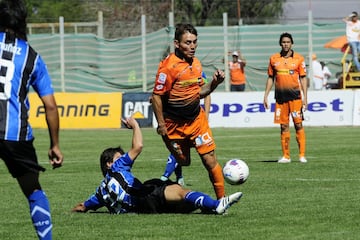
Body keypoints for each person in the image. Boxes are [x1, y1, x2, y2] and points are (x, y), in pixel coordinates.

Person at [71, 117, 242, 215]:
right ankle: (216, 205)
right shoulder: (117, 167)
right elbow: (138, 146)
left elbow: (83, 206)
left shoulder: (100, 192)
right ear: (110, 164)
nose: (123, 157)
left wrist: (74, 210)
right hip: (145, 197)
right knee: (179, 191)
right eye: (119, 156)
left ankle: (208, 206)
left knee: (171, 191)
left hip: (145, 209)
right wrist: (135, 125)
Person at [0, 1, 64, 239]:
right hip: (16, 134)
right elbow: (50, 106)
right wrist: (54, 145)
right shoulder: (32, 57)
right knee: (33, 190)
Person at [151, 23, 226, 199]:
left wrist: (215, 83)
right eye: (188, 42)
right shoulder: (168, 67)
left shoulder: (197, 64)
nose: (192, 46)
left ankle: (222, 201)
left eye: (194, 42)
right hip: (174, 124)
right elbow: (155, 97)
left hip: (196, 121)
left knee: (210, 160)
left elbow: (200, 92)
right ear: (177, 44)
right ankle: (167, 141)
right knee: (185, 161)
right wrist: (161, 125)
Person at [159, 71, 211, 186]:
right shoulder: (172, 71)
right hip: (174, 116)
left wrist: (206, 115)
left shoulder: (199, 72)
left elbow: (207, 94)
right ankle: (177, 177)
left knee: (179, 148)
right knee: (178, 147)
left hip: (192, 118)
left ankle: (165, 177)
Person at [263, 32, 308, 163]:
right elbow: (271, 78)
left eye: (288, 42)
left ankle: (301, 155)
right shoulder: (274, 59)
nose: (286, 44)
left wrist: (305, 97)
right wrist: (265, 95)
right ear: (280, 44)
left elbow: (303, 79)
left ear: (292, 43)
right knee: (283, 126)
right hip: (280, 99)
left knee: (298, 124)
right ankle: (286, 156)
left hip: (295, 98)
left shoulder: (299, 59)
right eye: (283, 42)